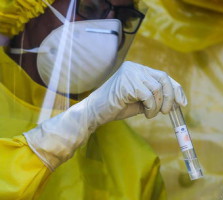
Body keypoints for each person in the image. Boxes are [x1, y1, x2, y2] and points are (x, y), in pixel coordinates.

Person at [0, 0, 187, 199]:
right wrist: (68, 130)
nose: (111, 30)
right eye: (90, 8)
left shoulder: (134, 160)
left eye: (123, 20)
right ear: (31, 11)